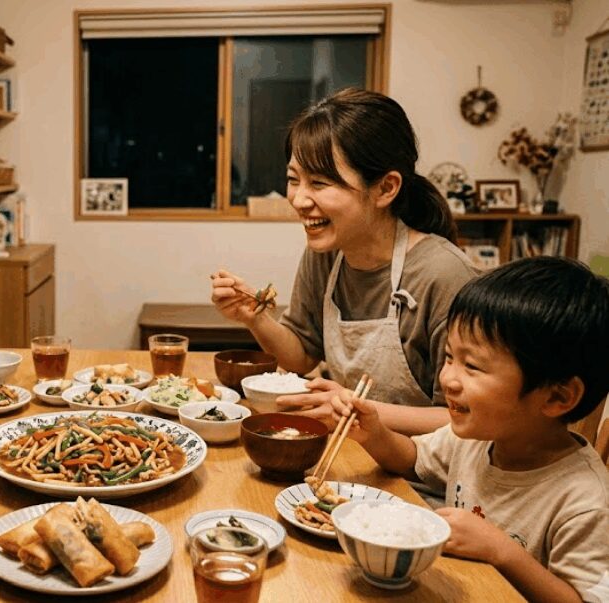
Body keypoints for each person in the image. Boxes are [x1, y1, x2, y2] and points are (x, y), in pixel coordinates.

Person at [332, 257, 609, 603]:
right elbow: (412, 460)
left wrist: (502, 552)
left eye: (472, 365)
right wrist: (374, 433)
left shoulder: (585, 501)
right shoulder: (480, 439)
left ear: (557, 397)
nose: (448, 378)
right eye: (449, 357)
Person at [211, 88, 478, 435]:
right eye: (294, 180)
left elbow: (465, 419)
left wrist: (351, 407)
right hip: (351, 453)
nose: (299, 199)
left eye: (320, 183)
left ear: (385, 189)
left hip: (420, 478)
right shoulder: (326, 253)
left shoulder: (443, 275)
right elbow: (302, 356)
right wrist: (255, 318)